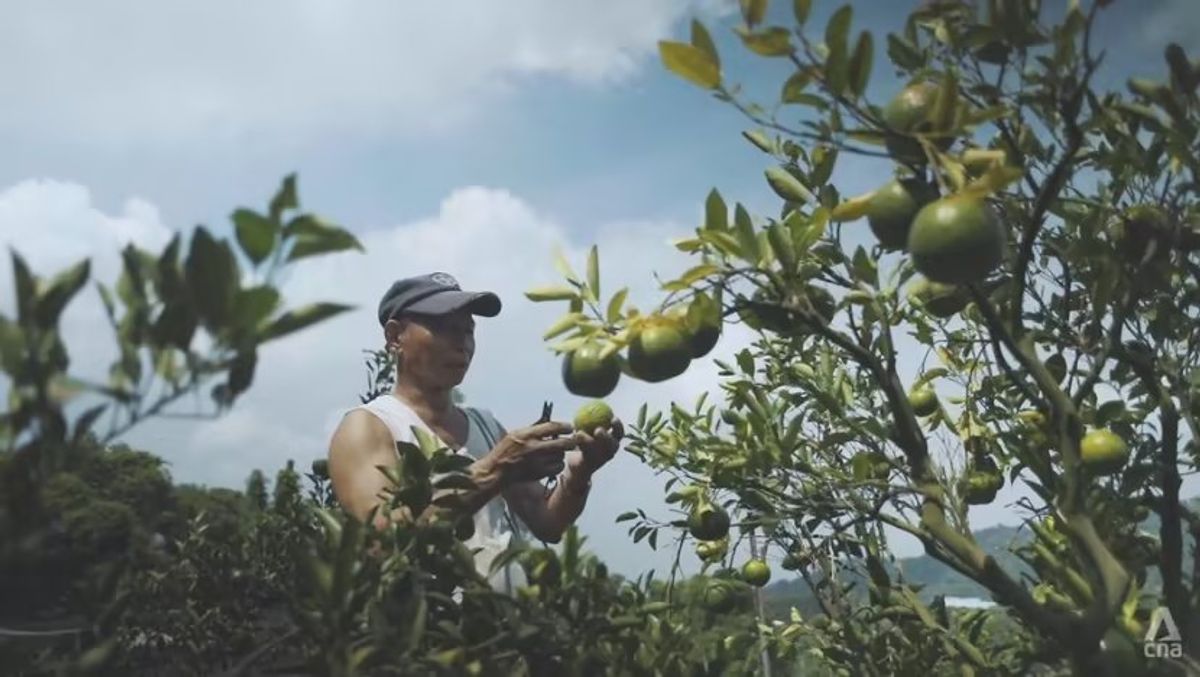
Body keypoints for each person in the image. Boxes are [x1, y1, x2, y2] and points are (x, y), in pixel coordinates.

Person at [326, 272, 623, 593]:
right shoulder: (370, 426)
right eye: (443, 328)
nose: (461, 342)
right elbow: (382, 543)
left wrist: (580, 473)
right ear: (396, 335)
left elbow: (547, 523)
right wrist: (497, 468)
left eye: (467, 330)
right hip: (430, 637)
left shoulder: (485, 426)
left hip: (507, 632)